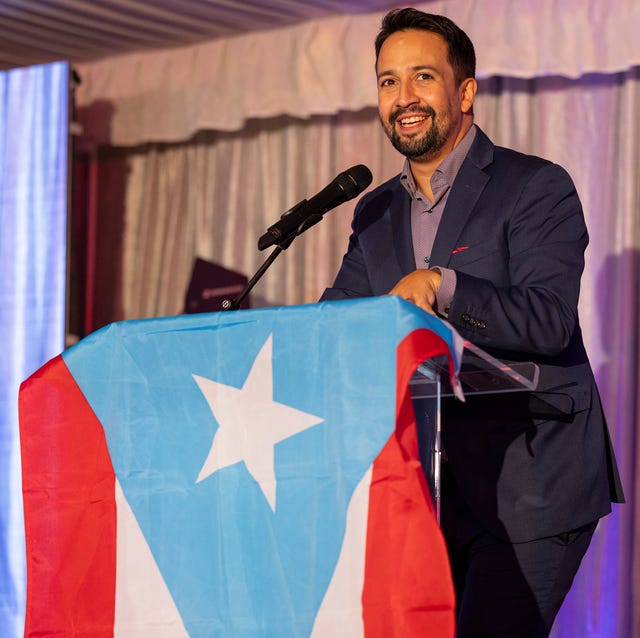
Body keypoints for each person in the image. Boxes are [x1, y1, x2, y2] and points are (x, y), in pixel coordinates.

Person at [321, 8, 624, 637]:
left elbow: (548, 319)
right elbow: (342, 319)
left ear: (464, 92)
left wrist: (442, 285)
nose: (402, 98)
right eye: (387, 81)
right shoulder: (374, 210)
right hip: (430, 483)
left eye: (422, 78)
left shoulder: (535, 185)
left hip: (534, 478)